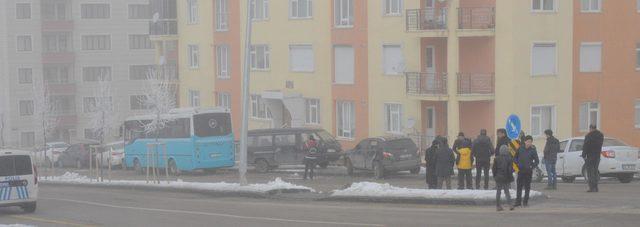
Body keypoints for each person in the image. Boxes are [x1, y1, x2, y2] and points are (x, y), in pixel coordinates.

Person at [514, 135, 540, 207]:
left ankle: (525, 201)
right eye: (528, 141)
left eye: (530, 142)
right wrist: (518, 164)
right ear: (525, 142)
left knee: (527, 187)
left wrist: (532, 166)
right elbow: (515, 157)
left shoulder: (533, 150)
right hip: (521, 170)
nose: (529, 143)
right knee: (519, 187)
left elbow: (537, 161)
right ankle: (518, 202)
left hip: (528, 171)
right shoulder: (520, 148)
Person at [493, 145, 515, 211]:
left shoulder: (496, 158)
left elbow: (494, 169)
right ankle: (510, 205)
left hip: (498, 177)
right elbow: (510, 169)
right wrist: (510, 176)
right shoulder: (510, 158)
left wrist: (495, 176)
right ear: (507, 151)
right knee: (507, 191)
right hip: (506, 177)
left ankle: (498, 206)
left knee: (498, 192)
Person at [582, 124, 604, 193]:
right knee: (595, 171)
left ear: (591, 128)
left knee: (590, 172)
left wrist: (583, 154)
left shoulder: (588, 136)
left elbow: (585, 146)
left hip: (590, 156)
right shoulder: (600, 135)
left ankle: (592, 188)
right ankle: (596, 187)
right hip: (597, 156)